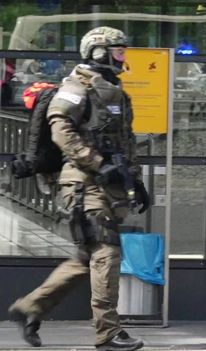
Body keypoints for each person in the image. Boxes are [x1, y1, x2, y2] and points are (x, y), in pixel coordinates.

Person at [8, 26, 149, 351]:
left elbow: (125, 142)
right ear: (98, 52)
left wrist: (136, 180)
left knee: (85, 258)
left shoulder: (115, 90)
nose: (123, 57)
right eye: (117, 51)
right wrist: (99, 163)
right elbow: (61, 130)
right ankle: (108, 334)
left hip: (106, 185)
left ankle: (30, 308)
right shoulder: (76, 87)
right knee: (106, 253)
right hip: (83, 186)